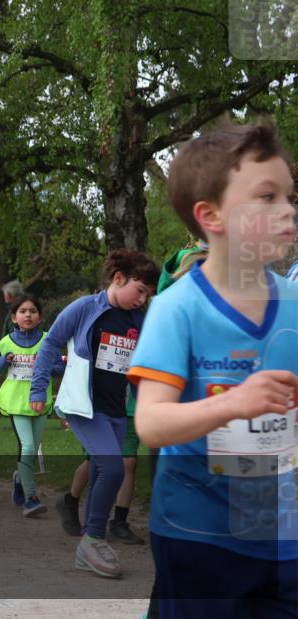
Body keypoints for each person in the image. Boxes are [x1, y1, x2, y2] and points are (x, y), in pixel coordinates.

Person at [132, 122, 298, 618]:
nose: (288, 211)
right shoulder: (176, 308)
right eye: (266, 197)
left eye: (290, 195)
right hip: (199, 536)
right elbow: (151, 424)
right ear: (211, 216)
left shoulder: (293, 302)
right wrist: (232, 402)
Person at [29, 249, 159, 578]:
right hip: (84, 407)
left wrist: (147, 404)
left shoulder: (138, 319)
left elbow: (141, 367)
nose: (142, 299)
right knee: (115, 469)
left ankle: (89, 534)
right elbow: (50, 343)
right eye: (139, 290)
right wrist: (38, 389)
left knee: (105, 471)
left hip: (116, 409)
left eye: (147, 295)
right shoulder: (86, 308)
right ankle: (93, 540)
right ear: (118, 279)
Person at [0, 293, 64, 516]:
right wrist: (5, 360)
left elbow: (60, 368)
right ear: (14, 317)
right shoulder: (6, 342)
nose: (28, 315)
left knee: (31, 451)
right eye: (23, 311)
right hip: (16, 402)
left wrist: (47, 367)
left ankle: (18, 478)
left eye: (32, 311)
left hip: (40, 401)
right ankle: (31, 499)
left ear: (40, 317)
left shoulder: (48, 341)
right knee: (29, 447)